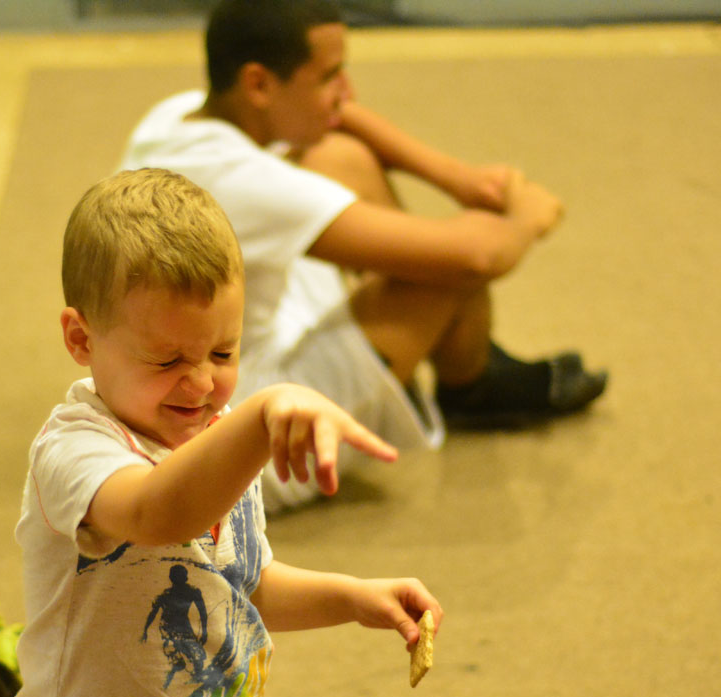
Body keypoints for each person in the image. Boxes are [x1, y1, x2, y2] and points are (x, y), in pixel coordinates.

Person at [3, 167, 442, 697]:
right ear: (81, 338)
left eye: (223, 352)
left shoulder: (217, 435)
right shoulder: (73, 451)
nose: (203, 382)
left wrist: (354, 597)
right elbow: (156, 512)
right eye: (168, 358)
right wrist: (262, 417)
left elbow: (245, 583)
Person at [119, 0, 608, 511]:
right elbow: (476, 257)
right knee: (441, 268)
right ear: (259, 84)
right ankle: (472, 384)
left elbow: (343, 119)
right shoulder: (245, 185)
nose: (347, 92)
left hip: (211, 351)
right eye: (329, 76)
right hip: (246, 429)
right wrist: (526, 215)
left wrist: (454, 176)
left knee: (341, 156)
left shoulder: (175, 117)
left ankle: (463, 362)